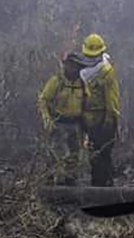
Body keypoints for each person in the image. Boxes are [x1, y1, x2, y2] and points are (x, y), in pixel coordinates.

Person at [76, 33, 120, 187]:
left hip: (103, 120)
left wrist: (109, 121)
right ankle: (103, 184)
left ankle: (101, 186)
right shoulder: (81, 71)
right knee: (95, 154)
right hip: (89, 120)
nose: (90, 59)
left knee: (102, 154)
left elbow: (112, 98)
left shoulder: (107, 71)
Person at [38, 54, 85, 185]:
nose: (73, 68)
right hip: (59, 123)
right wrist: (47, 119)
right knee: (56, 155)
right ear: (66, 65)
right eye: (70, 65)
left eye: (76, 65)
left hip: (76, 124)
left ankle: (71, 184)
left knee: (74, 155)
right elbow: (43, 100)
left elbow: (87, 103)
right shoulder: (56, 81)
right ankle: (54, 185)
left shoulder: (82, 83)